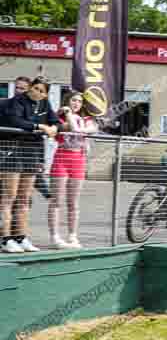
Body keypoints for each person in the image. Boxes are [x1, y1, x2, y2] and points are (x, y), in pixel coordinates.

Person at [0, 76, 60, 253]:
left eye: (42, 91)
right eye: (35, 88)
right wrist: (42, 127)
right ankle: (5, 239)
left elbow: (55, 121)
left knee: (24, 198)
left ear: (45, 94)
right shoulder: (17, 101)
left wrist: (55, 127)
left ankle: (21, 237)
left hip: (31, 152)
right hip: (12, 152)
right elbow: (16, 122)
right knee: (8, 197)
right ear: (30, 88)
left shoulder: (45, 104)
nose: (37, 92)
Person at [48, 91, 97, 249]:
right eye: (73, 100)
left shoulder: (88, 119)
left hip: (78, 160)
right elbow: (69, 127)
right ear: (67, 101)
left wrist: (69, 113)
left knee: (73, 202)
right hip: (62, 158)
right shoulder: (59, 119)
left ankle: (72, 236)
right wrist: (67, 114)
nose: (76, 103)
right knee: (56, 200)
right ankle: (55, 237)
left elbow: (79, 129)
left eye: (79, 101)